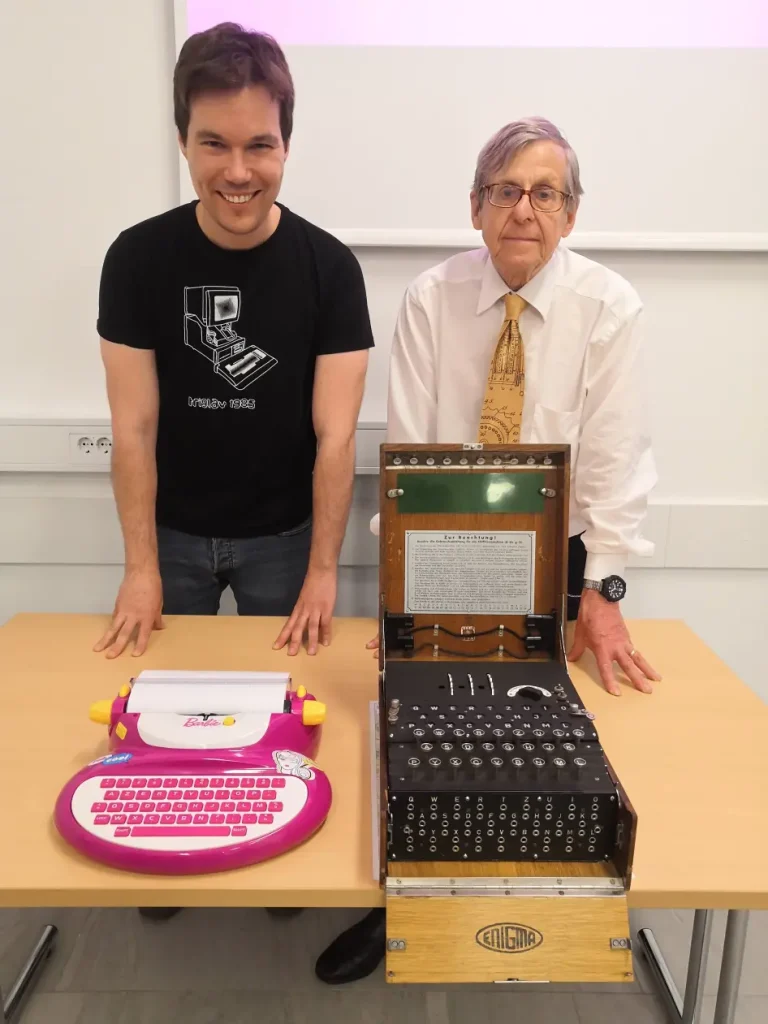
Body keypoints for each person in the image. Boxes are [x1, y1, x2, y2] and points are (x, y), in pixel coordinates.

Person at [314, 116, 661, 984]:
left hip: (559, 559)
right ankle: (397, 903)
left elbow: (616, 463)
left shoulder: (610, 307)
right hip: (444, 546)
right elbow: (415, 455)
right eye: (505, 190)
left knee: (536, 741)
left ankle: (519, 916)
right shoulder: (431, 297)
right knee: (421, 727)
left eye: (545, 193)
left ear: (571, 214)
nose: (523, 209)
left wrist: (605, 593)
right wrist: (405, 602)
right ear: (475, 207)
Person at [93, 23, 373, 921]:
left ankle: (271, 849)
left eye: (260, 144)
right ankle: (164, 845)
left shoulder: (331, 269)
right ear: (183, 139)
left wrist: (325, 572)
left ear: (287, 143)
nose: (238, 169)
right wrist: (140, 566)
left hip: (286, 540)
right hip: (169, 534)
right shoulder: (137, 258)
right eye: (214, 143)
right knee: (164, 714)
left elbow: (337, 439)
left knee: (280, 720)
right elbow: (133, 427)